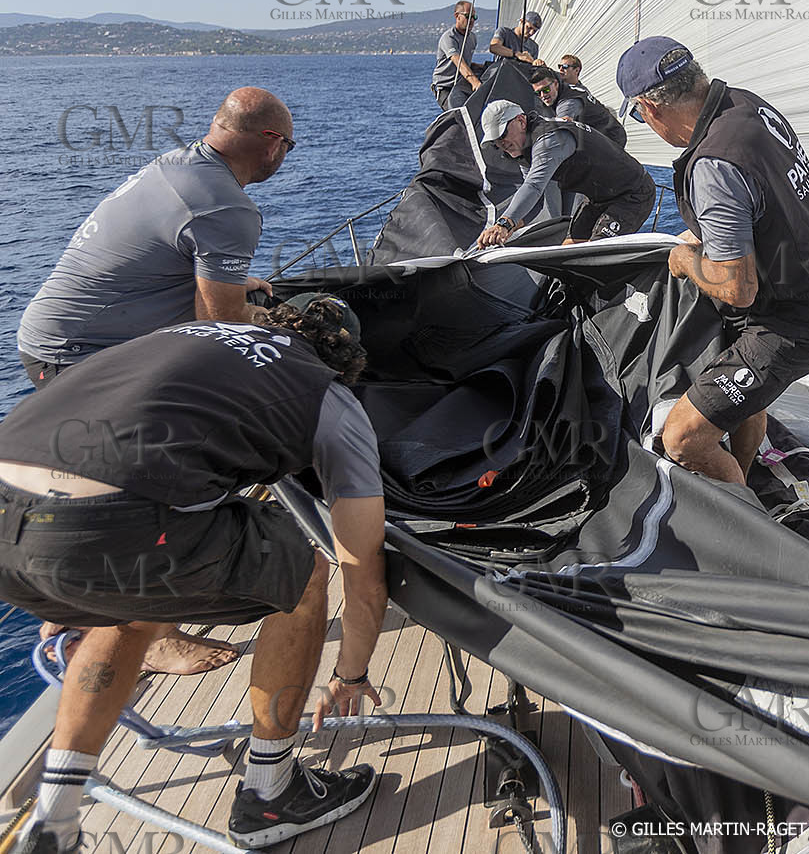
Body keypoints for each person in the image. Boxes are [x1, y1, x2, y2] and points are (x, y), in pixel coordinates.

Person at [0, 295, 388, 854]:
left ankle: (52, 820)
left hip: (12, 520)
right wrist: (350, 674)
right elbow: (363, 567)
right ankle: (271, 792)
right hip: (105, 527)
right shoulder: (328, 396)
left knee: (131, 604)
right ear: (348, 362)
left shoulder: (186, 333)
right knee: (301, 573)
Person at [16, 87, 294, 675]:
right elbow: (220, 328)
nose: (286, 156)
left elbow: (165, 264)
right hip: (83, 354)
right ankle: (156, 634)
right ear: (271, 144)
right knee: (154, 485)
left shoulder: (176, 166)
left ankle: (68, 612)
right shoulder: (229, 208)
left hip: (46, 338)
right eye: (288, 146)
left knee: (91, 482)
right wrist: (266, 323)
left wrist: (239, 290)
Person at [616, 36, 809, 487]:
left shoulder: (713, 163)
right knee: (744, 406)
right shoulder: (746, 106)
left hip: (791, 321)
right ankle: (739, 479)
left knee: (684, 437)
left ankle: (746, 537)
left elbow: (736, 288)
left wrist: (685, 261)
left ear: (650, 108)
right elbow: (759, 203)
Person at [472, 98, 655, 249]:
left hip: (633, 194)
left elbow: (534, 186)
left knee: (595, 253)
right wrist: (512, 226)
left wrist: (505, 223)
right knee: (568, 249)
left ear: (521, 121)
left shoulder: (549, 140)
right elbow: (535, 195)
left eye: (502, 134)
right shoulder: (524, 151)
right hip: (599, 197)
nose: (500, 143)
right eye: (495, 141)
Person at [528, 64, 629, 149]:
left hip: (610, 138)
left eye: (545, 90)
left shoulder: (569, 102)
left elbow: (564, 122)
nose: (543, 95)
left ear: (555, 84)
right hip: (606, 132)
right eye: (538, 93)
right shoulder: (567, 87)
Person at [432, 1, 481, 110]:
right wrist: (476, 83)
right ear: (457, 16)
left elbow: (466, 63)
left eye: (474, 17)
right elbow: (458, 61)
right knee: (458, 116)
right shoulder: (449, 38)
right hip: (446, 88)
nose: (471, 20)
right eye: (468, 16)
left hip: (462, 84)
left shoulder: (472, 38)